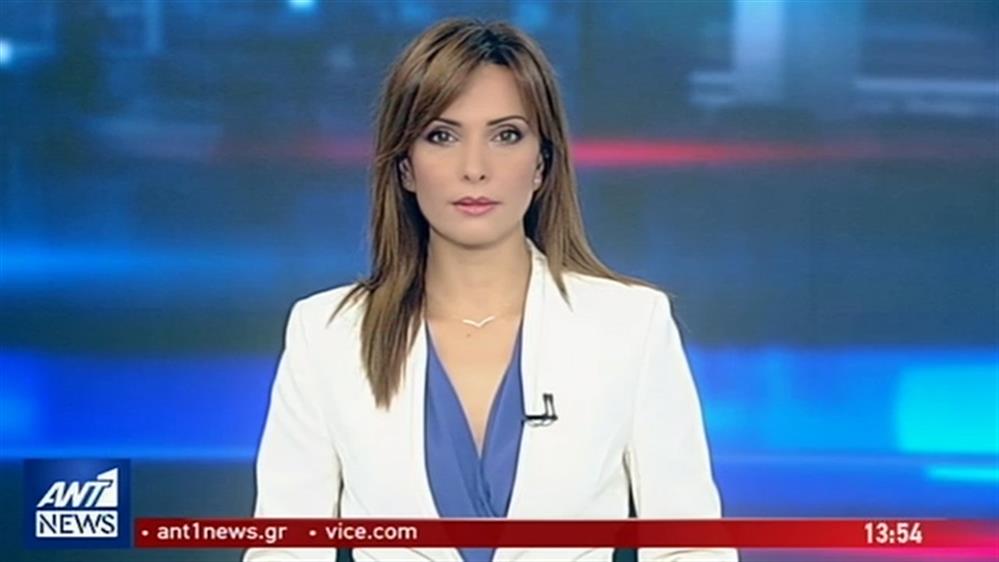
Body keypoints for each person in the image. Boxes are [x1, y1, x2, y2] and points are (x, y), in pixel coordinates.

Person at [245, 18, 737, 562]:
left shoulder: (630, 325)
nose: (474, 168)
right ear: (405, 167)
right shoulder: (327, 334)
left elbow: (690, 550)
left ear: (542, 164)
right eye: (442, 136)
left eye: (506, 136)